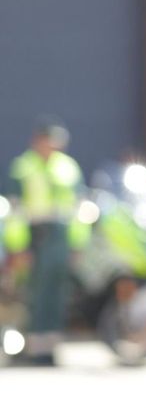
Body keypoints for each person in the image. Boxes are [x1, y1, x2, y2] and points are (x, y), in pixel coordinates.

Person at [5, 119, 82, 365]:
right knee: (35, 293)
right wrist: (18, 247)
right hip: (35, 237)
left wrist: (77, 244)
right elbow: (14, 213)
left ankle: (50, 349)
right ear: (37, 141)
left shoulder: (68, 168)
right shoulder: (23, 168)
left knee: (57, 294)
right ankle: (34, 349)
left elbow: (78, 210)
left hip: (60, 238)